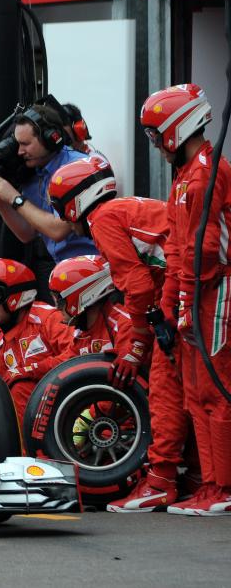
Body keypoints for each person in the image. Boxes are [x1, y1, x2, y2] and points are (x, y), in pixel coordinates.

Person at [47, 156, 192, 512]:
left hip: (194, 293)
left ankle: (162, 480)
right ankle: (197, 478)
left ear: (77, 201)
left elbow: (139, 287)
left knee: (167, 390)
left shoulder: (103, 219)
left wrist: (139, 341)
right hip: (192, 290)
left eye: (62, 207)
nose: (64, 217)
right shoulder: (123, 209)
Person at [142, 84, 231, 515]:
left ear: (177, 129)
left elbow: (205, 249)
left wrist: (186, 302)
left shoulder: (205, 174)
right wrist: (171, 303)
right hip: (199, 292)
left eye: (157, 135)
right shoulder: (186, 176)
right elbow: (178, 248)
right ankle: (212, 486)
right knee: (197, 393)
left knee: (216, 390)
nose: (156, 145)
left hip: (218, 290)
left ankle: (224, 489)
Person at [0, 104, 98, 299]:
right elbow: (27, 233)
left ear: (50, 137)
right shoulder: (34, 174)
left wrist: (14, 197)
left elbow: (57, 230)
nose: (19, 151)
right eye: (17, 144)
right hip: (61, 269)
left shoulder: (77, 167)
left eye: (25, 144)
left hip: (92, 269)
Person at [0, 258, 74, 417]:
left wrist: (31, 370)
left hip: (69, 400)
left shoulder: (48, 319)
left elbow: (77, 358)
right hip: (39, 413)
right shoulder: (1, 340)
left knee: (20, 387)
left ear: (16, 295)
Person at [48, 255, 131, 356]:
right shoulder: (82, 330)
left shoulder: (124, 324)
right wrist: (29, 369)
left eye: (60, 302)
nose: (57, 308)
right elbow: (67, 360)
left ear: (80, 296)